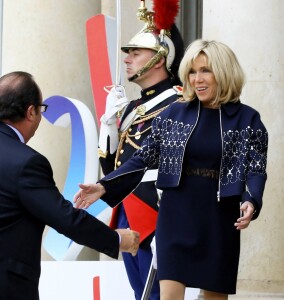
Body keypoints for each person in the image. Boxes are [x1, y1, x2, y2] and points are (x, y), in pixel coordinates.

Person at [74, 39, 268, 300]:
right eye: (192, 71)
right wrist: (104, 185)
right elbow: (142, 159)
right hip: (175, 215)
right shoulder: (174, 114)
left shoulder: (248, 119)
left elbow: (256, 168)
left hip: (220, 216)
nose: (197, 79)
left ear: (224, 72)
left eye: (205, 70)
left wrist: (252, 199)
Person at [0, 71, 140, 300]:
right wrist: (116, 239)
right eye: (41, 110)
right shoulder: (26, 162)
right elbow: (65, 219)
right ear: (30, 112)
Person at [97, 1, 184, 299]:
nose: (127, 60)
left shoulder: (179, 105)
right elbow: (111, 170)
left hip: (158, 211)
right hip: (127, 208)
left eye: (136, 53)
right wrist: (108, 126)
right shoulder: (133, 108)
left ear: (159, 59)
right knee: (140, 293)